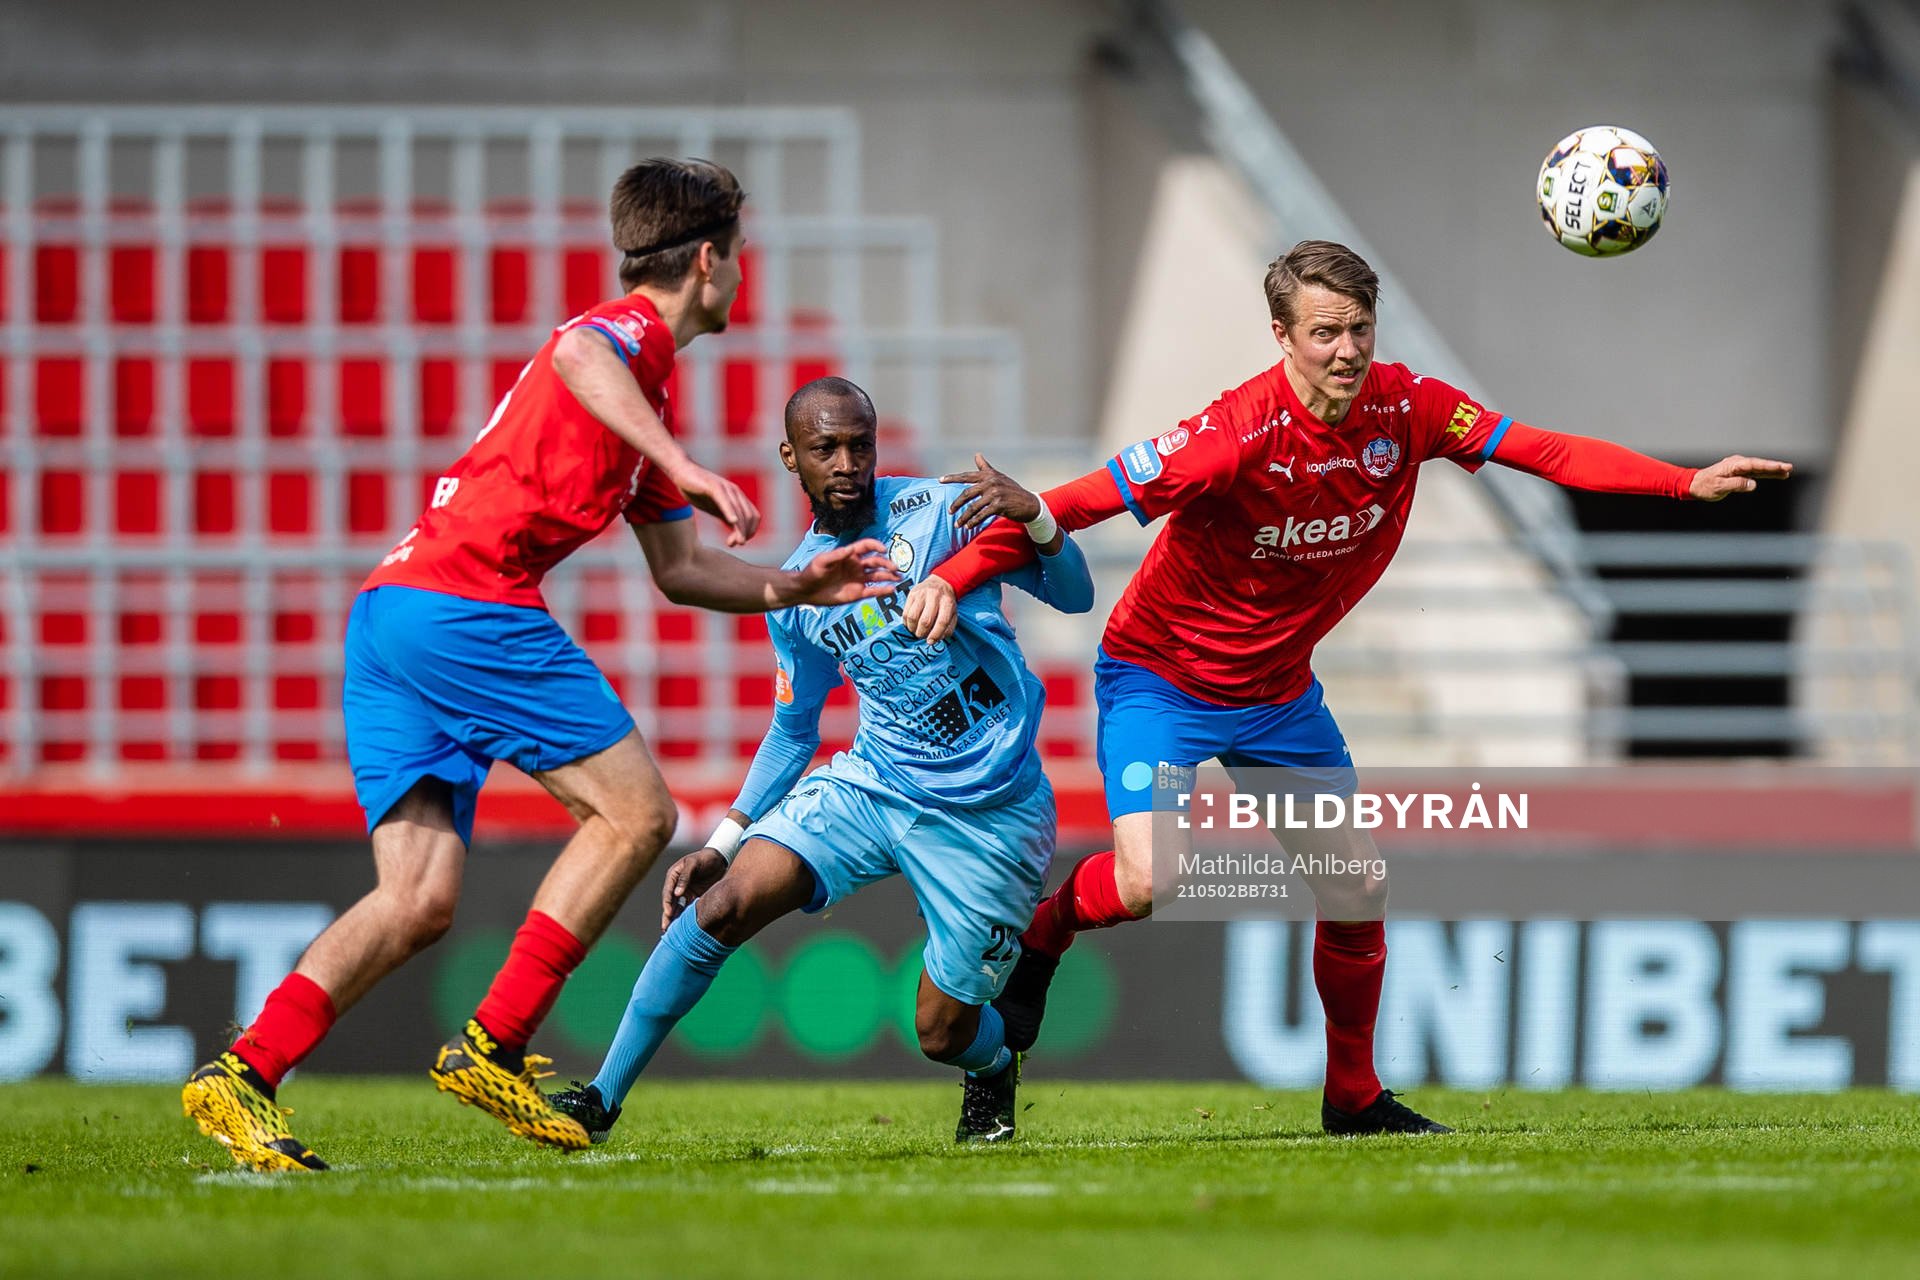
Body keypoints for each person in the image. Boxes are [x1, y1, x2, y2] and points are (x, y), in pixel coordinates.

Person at [904, 239, 1793, 1136]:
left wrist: (1683, 482)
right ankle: (1046, 935)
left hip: (1280, 697)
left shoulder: (1410, 410)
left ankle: (1354, 1099)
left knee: (1356, 886)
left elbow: (1544, 449)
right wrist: (958, 571)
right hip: (1161, 683)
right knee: (1148, 885)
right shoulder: (1231, 435)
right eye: (1326, 332)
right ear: (1282, 335)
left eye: (1360, 329)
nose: (1348, 350)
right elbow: (1072, 505)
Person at [182, 161, 900, 1173]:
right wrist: (689, 465)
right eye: (738, 255)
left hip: (393, 611)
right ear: (708, 259)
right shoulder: (628, 345)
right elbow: (576, 353)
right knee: (638, 812)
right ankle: (494, 1043)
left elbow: (684, 569)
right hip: (465, 604)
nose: (743, 276)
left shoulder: (641, 402)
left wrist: (799, 586)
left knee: (418, 897)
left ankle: (242, 1073)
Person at [548, 375, 1094, 1145]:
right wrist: (724, 841)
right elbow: (793, 731)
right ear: (790, 458)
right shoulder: (801, 589)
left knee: (941, 1032)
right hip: (875, 784)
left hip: (991, 812)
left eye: (859, 444)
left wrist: (1034, 514)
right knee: (725, 905)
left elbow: (1075, 597)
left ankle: (994, 1062)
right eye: (825, 447)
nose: (846, 462)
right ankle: (600, 1100)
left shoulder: (941, 511)